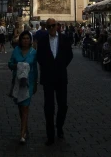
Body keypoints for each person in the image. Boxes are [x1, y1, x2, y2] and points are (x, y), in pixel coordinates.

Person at [36, 17, 73, 145]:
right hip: (48, 78)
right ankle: (50, 134)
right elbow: (39, 57)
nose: (52, 28)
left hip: (61, 77)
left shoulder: (64, 39)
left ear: (57, 26)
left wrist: (61, 66)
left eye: (53, 25)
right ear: (46, 28)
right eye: (49, 26)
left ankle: (59, 126)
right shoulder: (42, 41)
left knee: (63, 105)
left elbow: (69, 55)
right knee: (49, 107)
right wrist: (48, 67)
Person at [8, 31, 38, 144]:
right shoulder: (16, 51)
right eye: (23, 38)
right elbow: (10, 63)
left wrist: (36, 83)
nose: (25, 40)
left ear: (30, 40)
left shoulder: (34, 53)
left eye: (27, 38)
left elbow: (35, 70)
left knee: (25, 107)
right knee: (20, 107)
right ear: (20, 40)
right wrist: (16, 66)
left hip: (28, 83)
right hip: (17, 83)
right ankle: (25, 128)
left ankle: (22, 133)